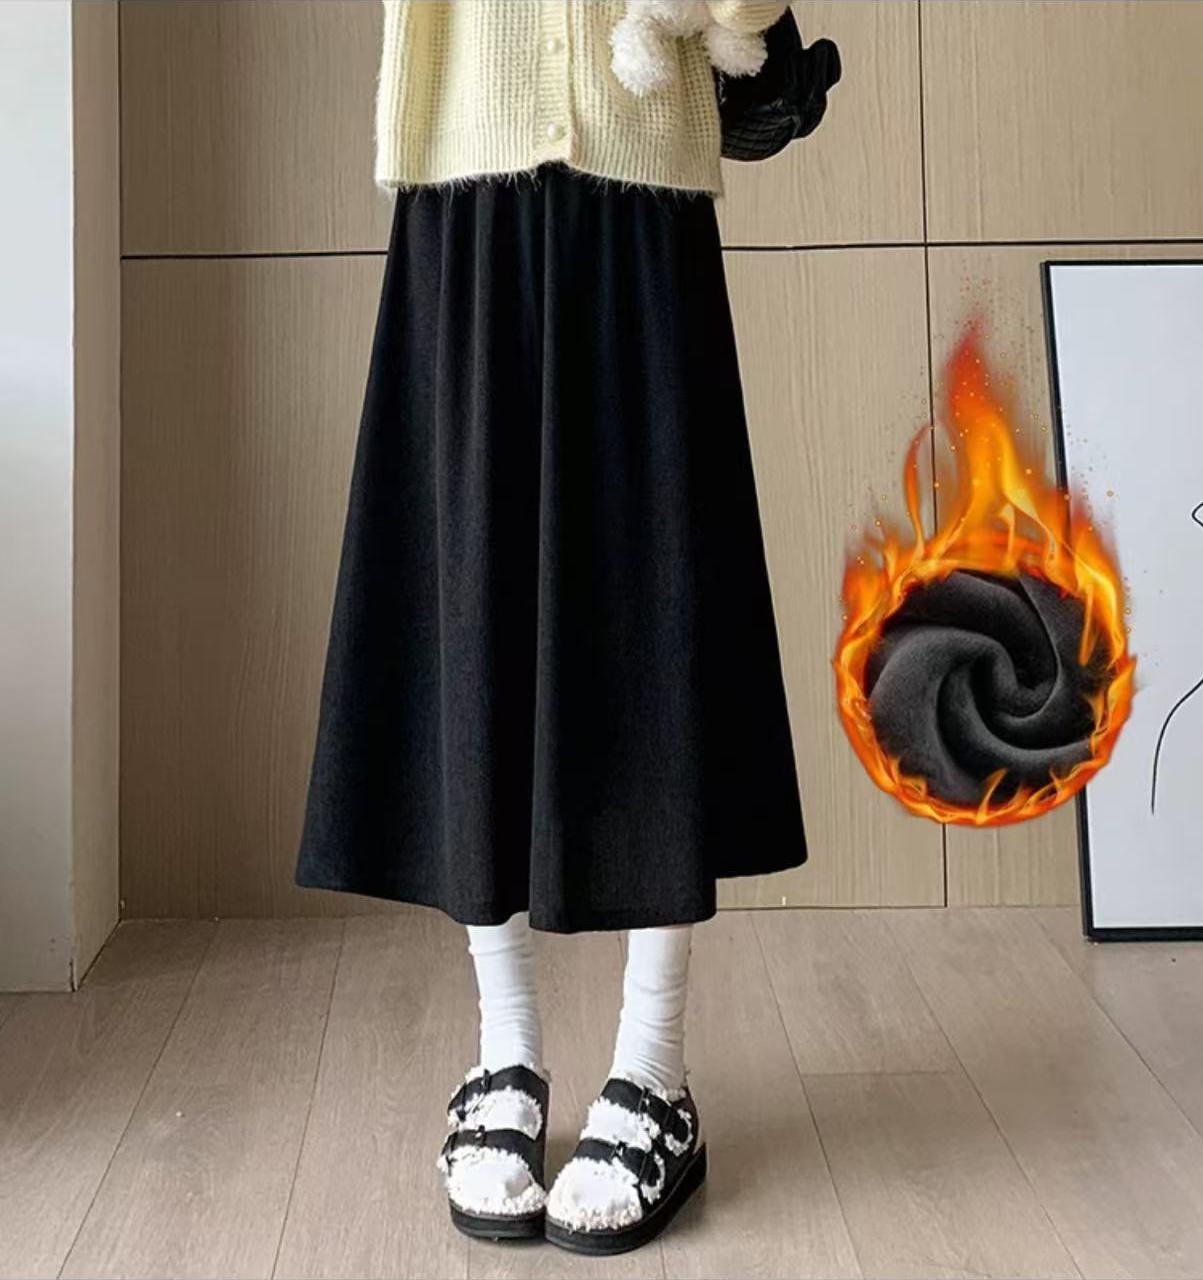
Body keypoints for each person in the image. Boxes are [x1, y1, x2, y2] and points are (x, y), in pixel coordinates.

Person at [294, 0, 808, 1256]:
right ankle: (504, 1048)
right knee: (470, 606)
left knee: (656, 612)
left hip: (639, 171)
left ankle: (653, 1065)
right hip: (463, 164)